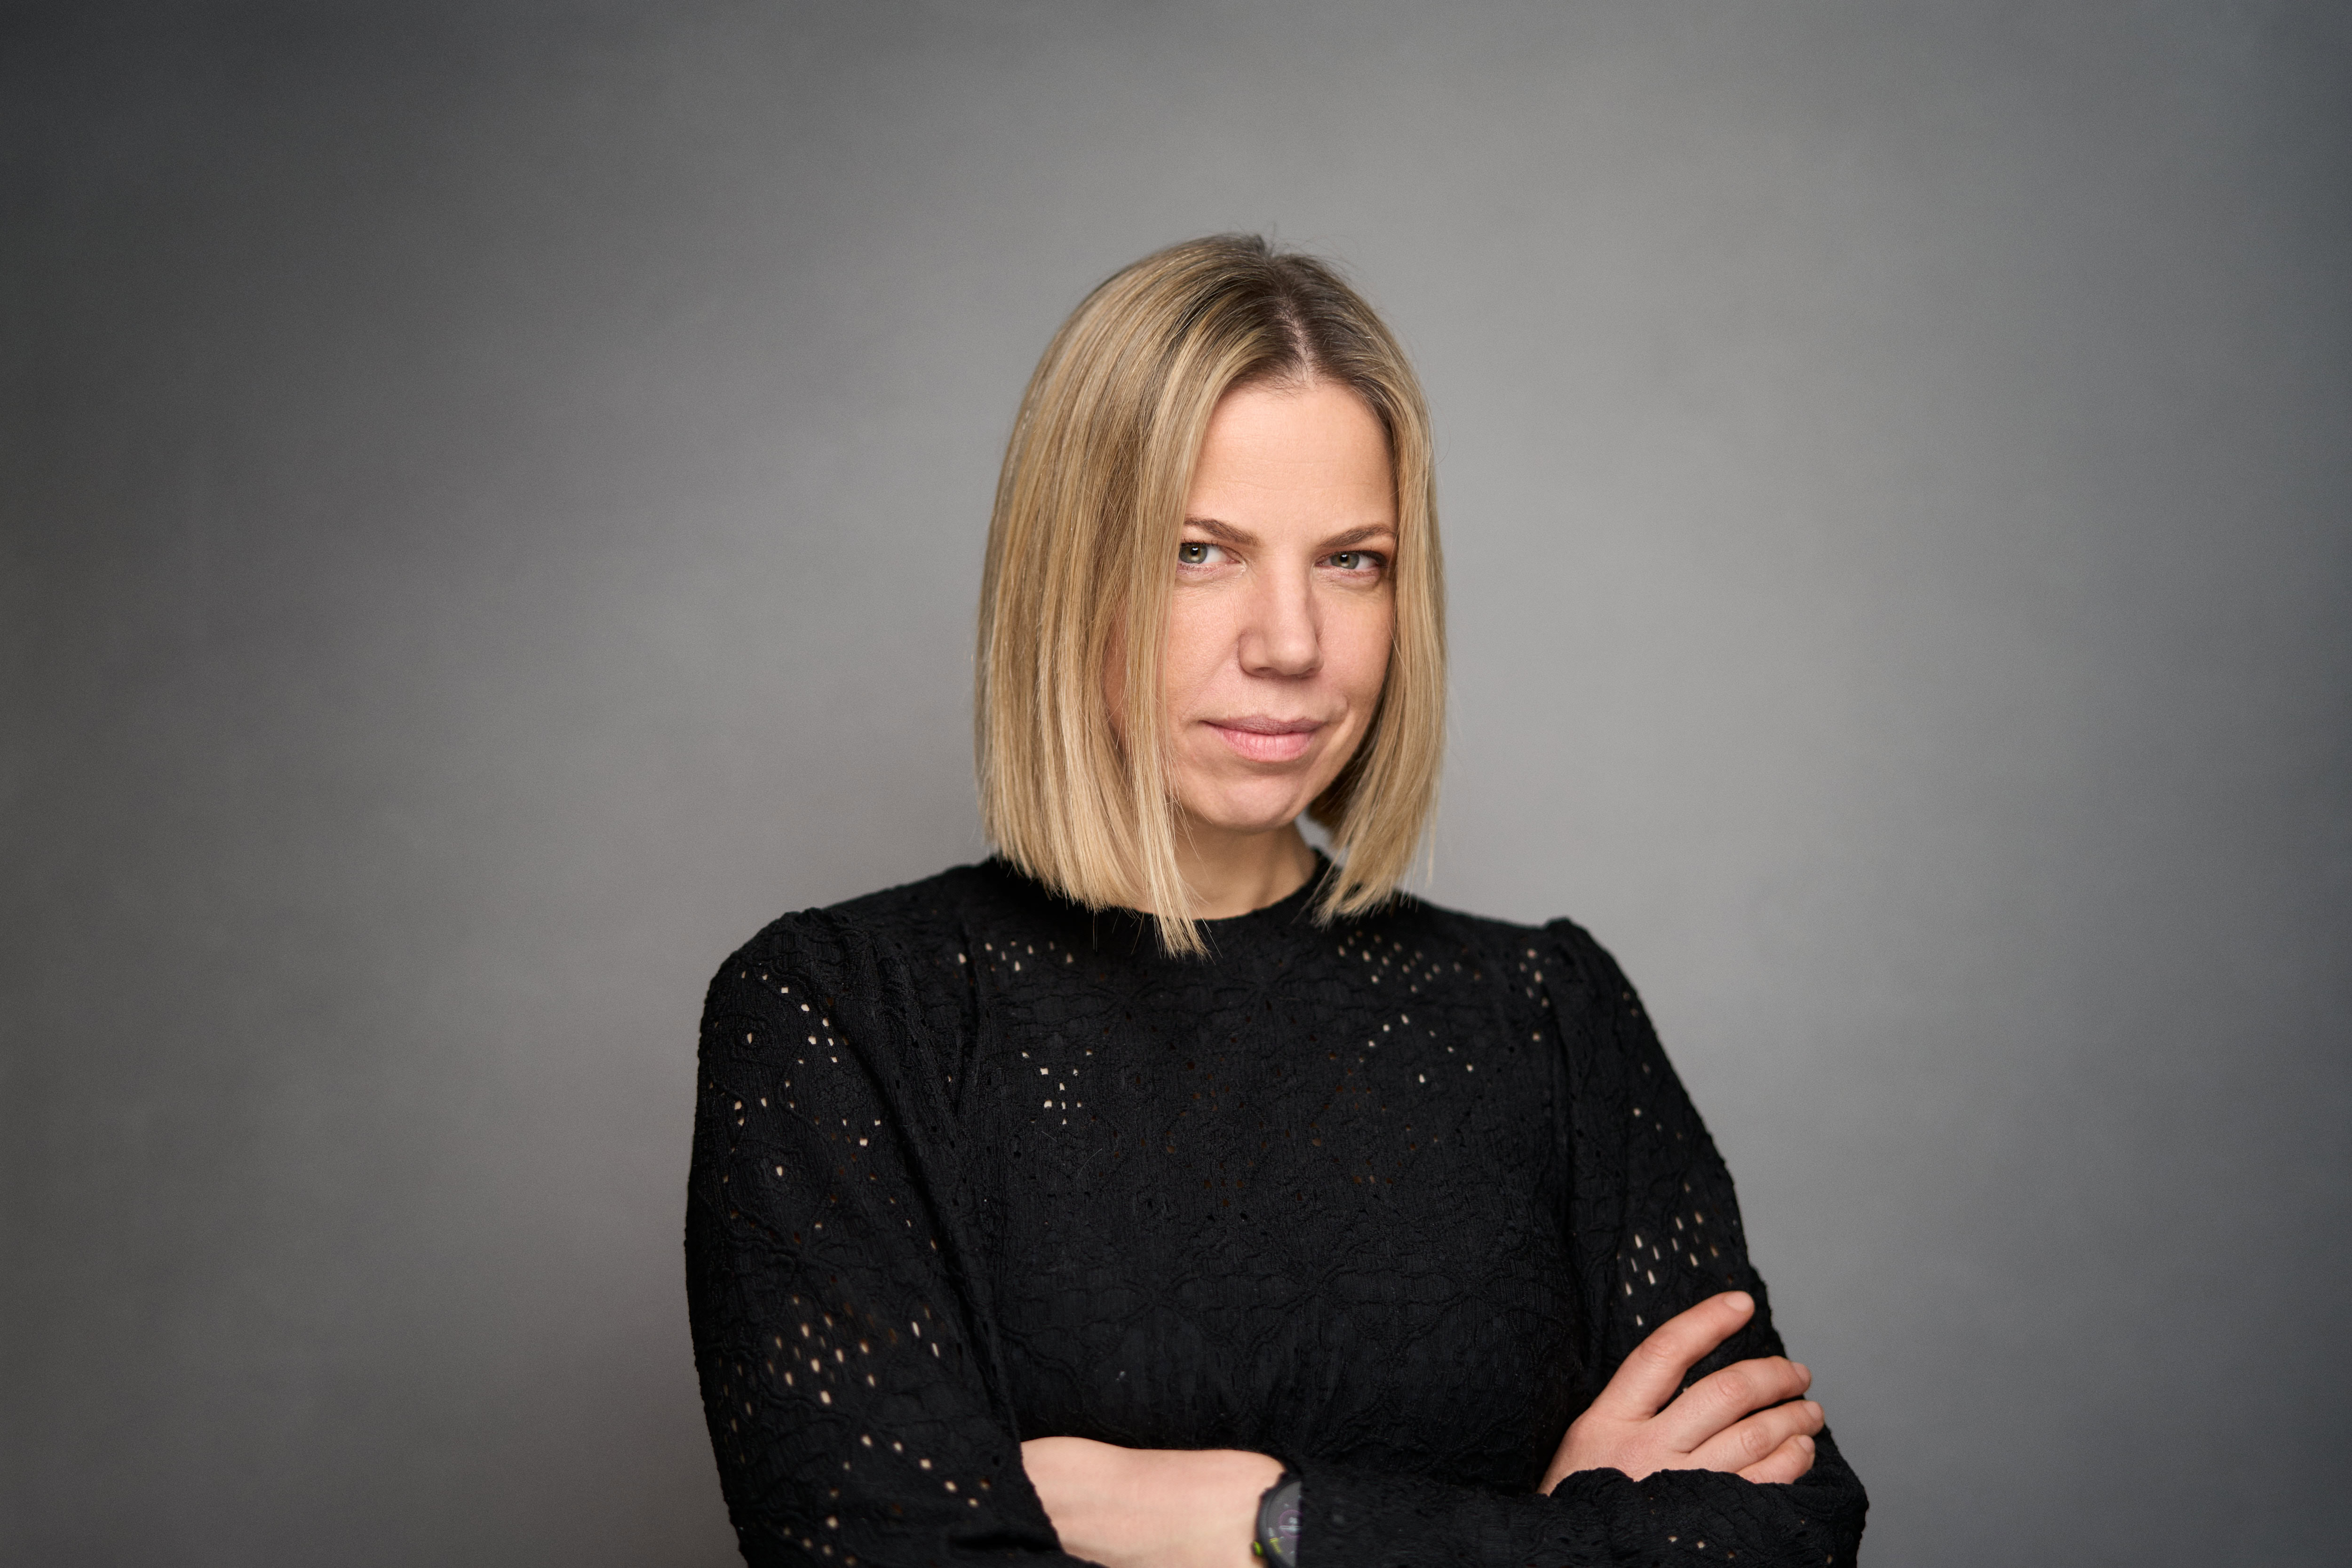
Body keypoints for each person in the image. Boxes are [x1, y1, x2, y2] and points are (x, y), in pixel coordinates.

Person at [684, 234, 1868, 1567]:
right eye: (1201, 551)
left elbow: (1785, 1542)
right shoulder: (843, 1015)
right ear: (1066, 575)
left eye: (1353, 561)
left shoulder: (1549, 1017)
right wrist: (1555, 1534)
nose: (1292, 641)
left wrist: (1264, 1523)